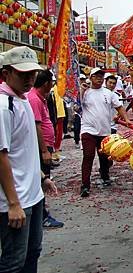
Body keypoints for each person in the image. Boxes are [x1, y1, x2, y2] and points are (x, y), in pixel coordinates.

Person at [0, 46, 58, 272]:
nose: (29, 79)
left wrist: (42, 176)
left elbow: (25, 149)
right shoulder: (5, 106)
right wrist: (13, 203)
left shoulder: (22, 100)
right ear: (7, 74)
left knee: (33, 252)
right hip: (15, 201)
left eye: (32, 74)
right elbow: (2, 156)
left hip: (33, 194)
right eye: (23, 74)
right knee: (13, 262)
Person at [80, 67, 131, 197]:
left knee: (104, 156)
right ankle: (85, 185)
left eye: (101, 76)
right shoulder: (85, 92)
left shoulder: (109, 93)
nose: (99, 78)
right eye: (96, 76)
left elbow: (119, 107)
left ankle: (105, 176)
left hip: (104, 131)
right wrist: (80, 90)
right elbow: (76, 104)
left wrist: (127, 120)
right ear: (91, 77)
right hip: (88, 129)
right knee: (88, 155)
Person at [26, 69, 64, 229]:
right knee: (41, 180)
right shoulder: (34, 98)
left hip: (46, 145)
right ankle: (41, 216)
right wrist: (44, 151)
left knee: (43, 178)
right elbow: (36, 125)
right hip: (41, 147)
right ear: (47, 83)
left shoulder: (39, 97)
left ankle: (41, 213)